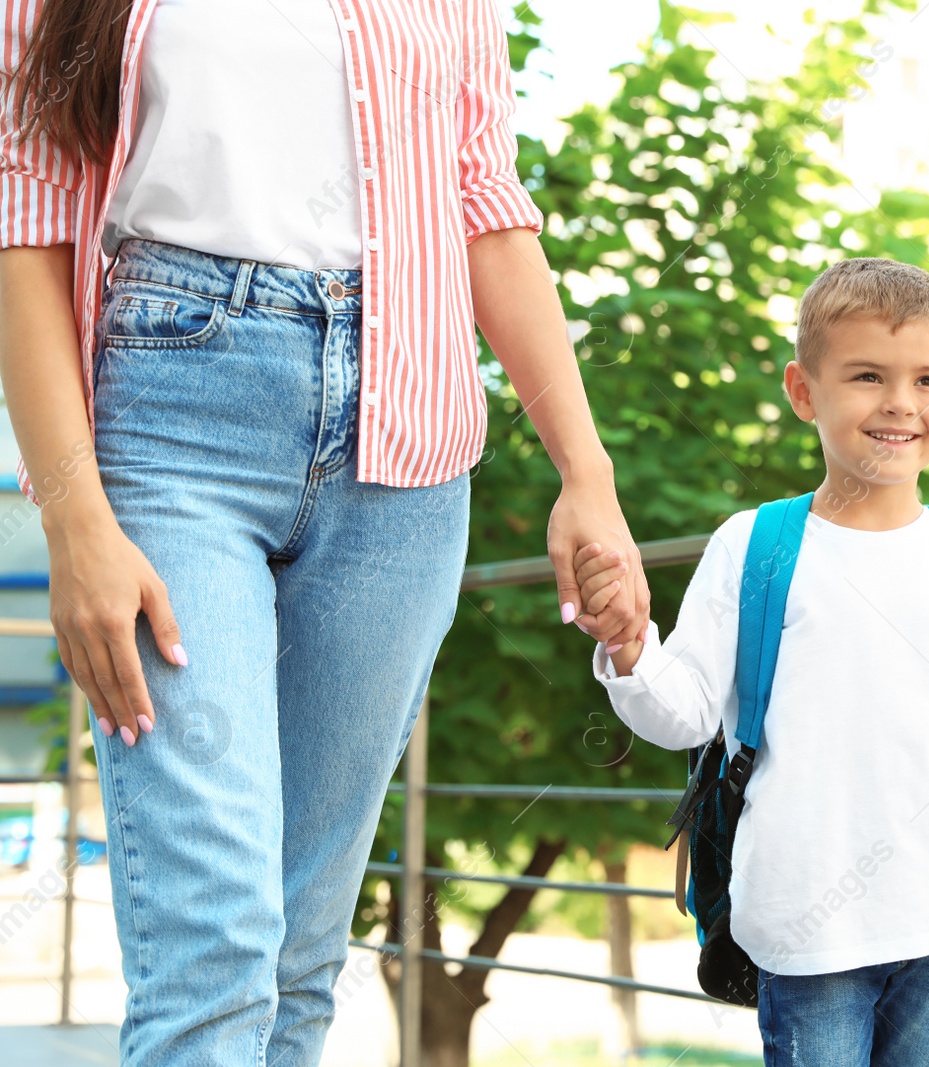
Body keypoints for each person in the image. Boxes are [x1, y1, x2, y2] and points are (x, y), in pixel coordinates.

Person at [0, 1, 649, 1063]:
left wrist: (587, 471)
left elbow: (485, 205)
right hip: (173, 421)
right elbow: (25, 225)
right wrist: (74, 522)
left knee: (302, 948)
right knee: (213, 939)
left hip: (406, 446)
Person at [577, 257, 929, 1065]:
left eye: (928, 379)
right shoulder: (755, 544)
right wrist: (631, 644)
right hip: (807, 928)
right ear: (804, 391)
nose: (899, 403)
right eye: (867, 376)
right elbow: (684, 716)